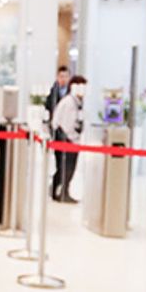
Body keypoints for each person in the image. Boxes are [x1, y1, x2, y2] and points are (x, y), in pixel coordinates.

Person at [52, 74, 88, 202]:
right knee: (66, 168)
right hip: (66, 140)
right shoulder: (69, 103)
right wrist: (74, 139)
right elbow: (67, 124)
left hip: (70, 139)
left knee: (68, 168)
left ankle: (62, 191)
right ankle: (60, 192)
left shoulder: (77, 102)